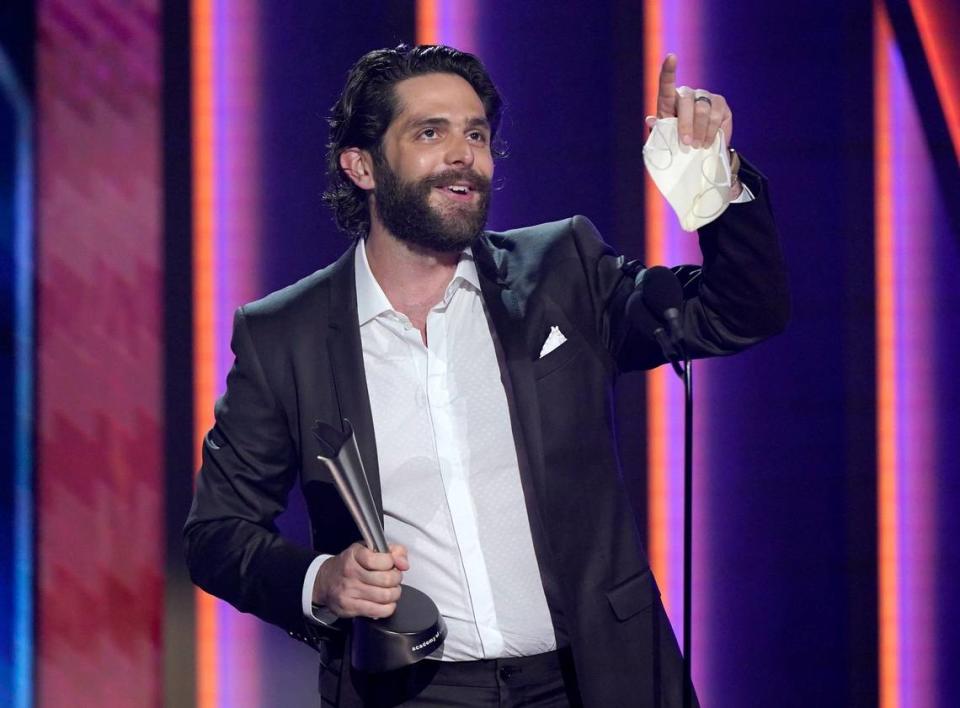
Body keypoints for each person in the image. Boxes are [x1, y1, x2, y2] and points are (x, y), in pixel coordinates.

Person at [184, 44, 789, 707]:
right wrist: (322, 579)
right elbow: (218, 534)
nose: (463, 153)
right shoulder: (286, 336)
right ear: (361, 166)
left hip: (592, 681)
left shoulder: (562, 270)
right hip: (415, 692)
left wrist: (715, 187)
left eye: (476, 134)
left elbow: (736, 312)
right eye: (430, 132)